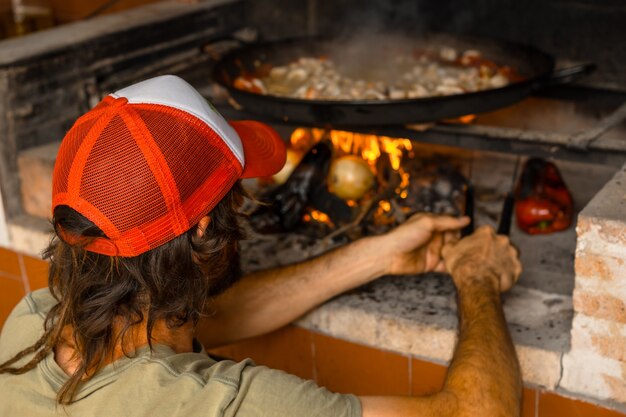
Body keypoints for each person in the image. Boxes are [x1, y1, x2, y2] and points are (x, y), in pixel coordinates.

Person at [0, 75, 522, 416]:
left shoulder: (31, 321)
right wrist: (476, 276)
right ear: (203, 228)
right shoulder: (224, 406)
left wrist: (377, 256)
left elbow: (197, 319)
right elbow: (478, 413)